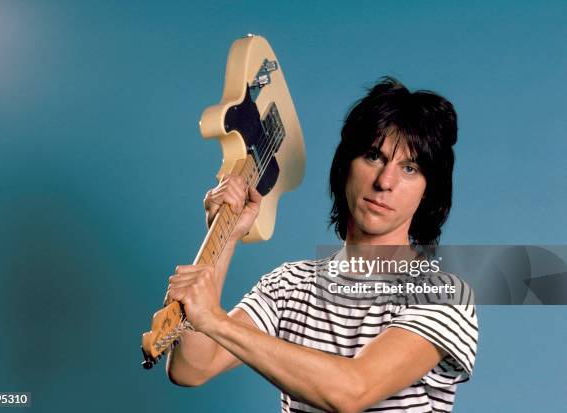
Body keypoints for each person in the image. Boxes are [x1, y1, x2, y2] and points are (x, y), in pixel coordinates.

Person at [165, 77, 478, 413]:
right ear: (346, 165)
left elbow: (352, 391)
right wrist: (223, 235)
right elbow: (191, 368)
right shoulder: (288, 286)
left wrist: (215, 320)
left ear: (428, 191)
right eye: (373, 156)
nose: (385, 182)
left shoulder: (444, 294)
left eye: (409, 168)